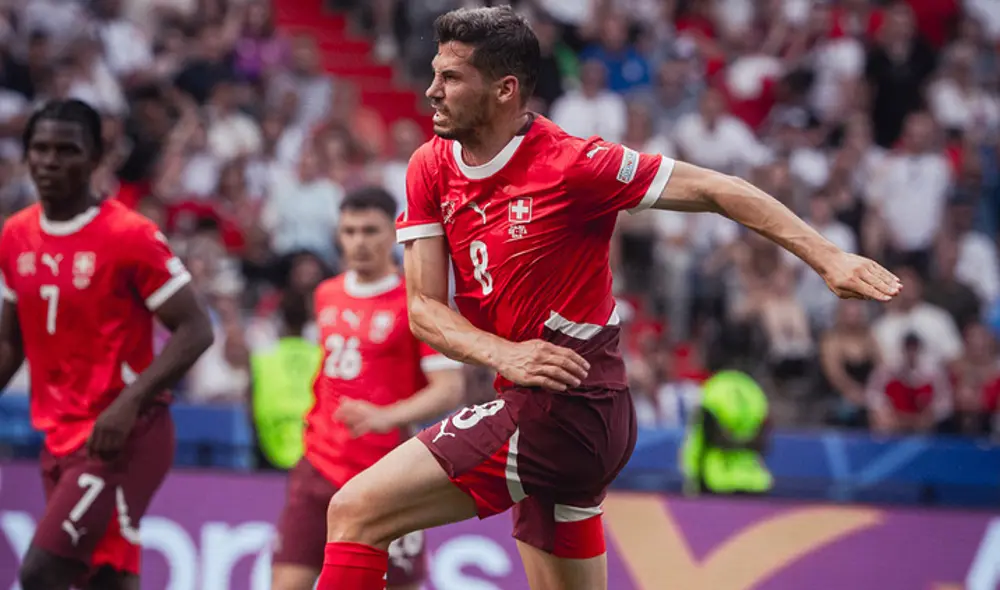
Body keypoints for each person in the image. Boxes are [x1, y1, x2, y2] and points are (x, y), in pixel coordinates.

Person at [315, 7, 902, 590]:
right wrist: (505, 354)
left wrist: (829, 257)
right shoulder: (430, 166)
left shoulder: (572, 165)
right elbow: (423, 310)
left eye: (450, 78)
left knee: (355, 513)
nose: (431, 91)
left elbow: (718, 189)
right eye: (434, 74)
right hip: (544, 400)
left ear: (505, 89)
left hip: (568, 407)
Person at [0, 99, 214, 590]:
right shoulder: (15, 235)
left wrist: (128, 403)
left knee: (41, 573)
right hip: (59, 434)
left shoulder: (129, 235)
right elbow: (10, 344)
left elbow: (196, 328)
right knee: (104, 579)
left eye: (66, 150)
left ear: (97, 157)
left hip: (124, 434)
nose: (50, 161)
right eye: (40, 149)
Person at [271, 186, 465, 590]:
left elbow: (449, 389)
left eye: (370, 231)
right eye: (350, 231)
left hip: (388, 474)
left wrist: (386, 416)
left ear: (393, 233)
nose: (359, 242)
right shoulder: (326, 294)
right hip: (319, 465)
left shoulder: (418, 302)